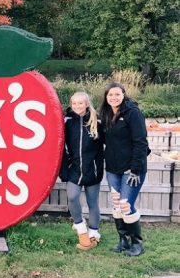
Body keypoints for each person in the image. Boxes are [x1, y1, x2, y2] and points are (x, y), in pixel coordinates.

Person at [99, 82, 149, 256]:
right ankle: (123, 241)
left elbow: (141, 142)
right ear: (106, 97)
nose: (113, 97)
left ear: (123, 95)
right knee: (117, 205)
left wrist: (135, 169)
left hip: (132, 169)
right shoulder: (106, 113)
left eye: (117, 94)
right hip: (113, 169)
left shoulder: (132, 113)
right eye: (110, 95)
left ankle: (137, 243)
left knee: (125, 204)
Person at [60, 90, 104, 250]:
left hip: (93, 170)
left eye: (81, 103)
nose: (77, 106)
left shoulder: (97, 121)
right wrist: (63, 167)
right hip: (74, 169)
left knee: (93, 203)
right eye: (74, 103)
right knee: (72, 197)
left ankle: (94, 233)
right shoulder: (66, 121)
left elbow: (111, 142)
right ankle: (80, 227)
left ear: (86, 104)